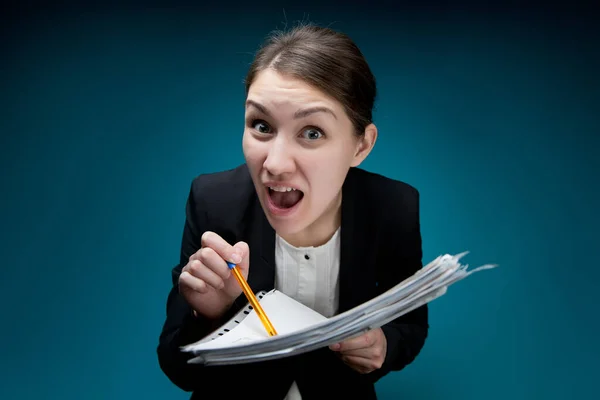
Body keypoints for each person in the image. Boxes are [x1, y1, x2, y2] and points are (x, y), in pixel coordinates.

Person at [157, 23, 428, 400]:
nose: (276, 164)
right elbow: (177, 366)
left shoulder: (393, 207)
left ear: (360, 146)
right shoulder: (213, 200)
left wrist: (385, 344)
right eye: (261, 125)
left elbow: (410, 324)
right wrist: (208, 316)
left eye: (312, 132)